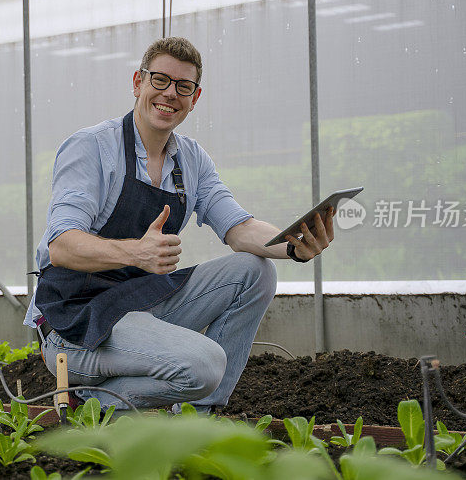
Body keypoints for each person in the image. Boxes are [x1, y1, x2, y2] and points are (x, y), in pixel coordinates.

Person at [23, 37, 335, 414]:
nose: (170, 94)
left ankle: (198, 420)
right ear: (138, 82)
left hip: (139, 304)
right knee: (204, 364)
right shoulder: (91, 147)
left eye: (183, 87)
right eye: (160, 80)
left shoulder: (191, 159)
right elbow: (62, 245)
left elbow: (238, 228)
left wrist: (292, 245)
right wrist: (136, 252)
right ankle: (92, 401)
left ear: (195, 97)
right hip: (76, 321)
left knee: (255, 270)